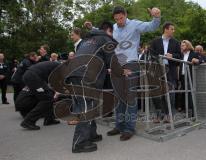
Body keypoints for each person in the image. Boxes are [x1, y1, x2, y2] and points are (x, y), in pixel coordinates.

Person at [68, 24, 131, 153]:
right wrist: (121, 71)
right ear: (109, 31)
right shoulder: (106, 39)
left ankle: (91, 135)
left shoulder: (87, 40)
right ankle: (79, 143)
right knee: (87, 108)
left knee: (88, 105)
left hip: (74, 74)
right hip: (86, 77)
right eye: (113, 33)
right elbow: (112, 60)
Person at [105, 6, 161, 141]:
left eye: (121, 18)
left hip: (131, 63)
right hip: (118, 65)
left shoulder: (135, 24)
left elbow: (151, 27)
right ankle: (119, 125)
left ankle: (129, 128)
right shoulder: (114, 28)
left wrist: (156, 17)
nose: (119, 21)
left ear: (125, 15)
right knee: (118, 97)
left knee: (130, 96)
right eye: (116, 19)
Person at [149, 21, 181, 123]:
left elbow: (179, 56)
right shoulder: (155, 41)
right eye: (172, 29)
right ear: (166, 29)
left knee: (170, 94)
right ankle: (159, 115)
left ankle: (169, 115)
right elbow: (151, 55)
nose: (173, 31)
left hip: (170, 70)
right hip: (158, 70)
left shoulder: (176, 42)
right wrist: (158, 59)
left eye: (173, 29)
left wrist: (172, 56)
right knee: (157, 94)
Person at [20, 61, 60, 130]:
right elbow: (56, 82)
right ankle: (28, 121)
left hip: (34, 76)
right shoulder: (62, 68)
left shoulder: (58, 65)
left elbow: (52, 82)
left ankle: (49, 119)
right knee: (46, 99)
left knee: (50, 95)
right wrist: (57, 92)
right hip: (33, 77)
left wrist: (55, 91)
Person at [178, 40, 199, 113]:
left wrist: (197, 60)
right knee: (184, 93)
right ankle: (185, 110)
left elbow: (201, 60)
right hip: (183, 76)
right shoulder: (181, 54)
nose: (181, 46)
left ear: (188, 46)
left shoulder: (194, 53)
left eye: (183, 45)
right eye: (181, 45)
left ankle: (194, 112)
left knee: (190, 94)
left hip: (191, 76)